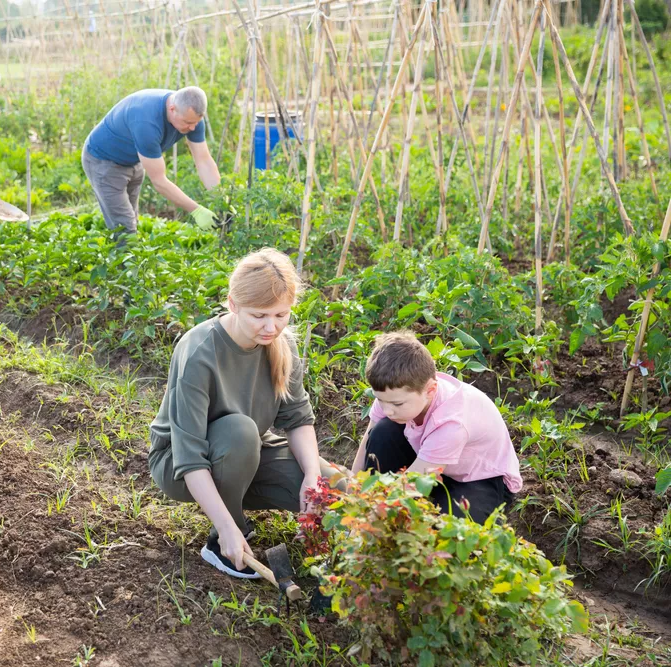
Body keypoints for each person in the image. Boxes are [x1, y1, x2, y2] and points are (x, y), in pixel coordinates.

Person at [149, 248, 342, 578]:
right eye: (259, 316)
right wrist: (226, 527)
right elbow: (190, 456)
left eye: (281, 315)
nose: (271, 327)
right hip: (182, 466)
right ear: (233, 304)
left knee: (334, 487)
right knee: (240, 431)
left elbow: (297, 417)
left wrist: (312, 477)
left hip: (248, 454)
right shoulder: (199, 352)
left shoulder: (282, 345)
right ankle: (224, 537)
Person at [350, 331, 522, 524]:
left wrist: (371, 520)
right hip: (433, 464)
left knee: (452, 531)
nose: (388, 410)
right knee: (383, 432)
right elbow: (368, 440)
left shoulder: (451, 422)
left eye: (397, 405)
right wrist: (355, 490)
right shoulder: (393, 396)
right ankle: (385, 505)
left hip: (479, 480)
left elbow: (413, 484)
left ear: (430, 390)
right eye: (380, 401)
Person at [82, 87, 220, 239]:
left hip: (134, 159)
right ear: (172, 109)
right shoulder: (147, 122)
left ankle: (130, 257)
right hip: (103, 161)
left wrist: (220, 198)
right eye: (188, 123)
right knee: (124, 226)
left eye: (196, 122)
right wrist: (196, 210)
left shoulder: (191, 117)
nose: (193, 128)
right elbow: (159, 181)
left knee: (131, 219)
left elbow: (204, 161)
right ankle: (124, 260)